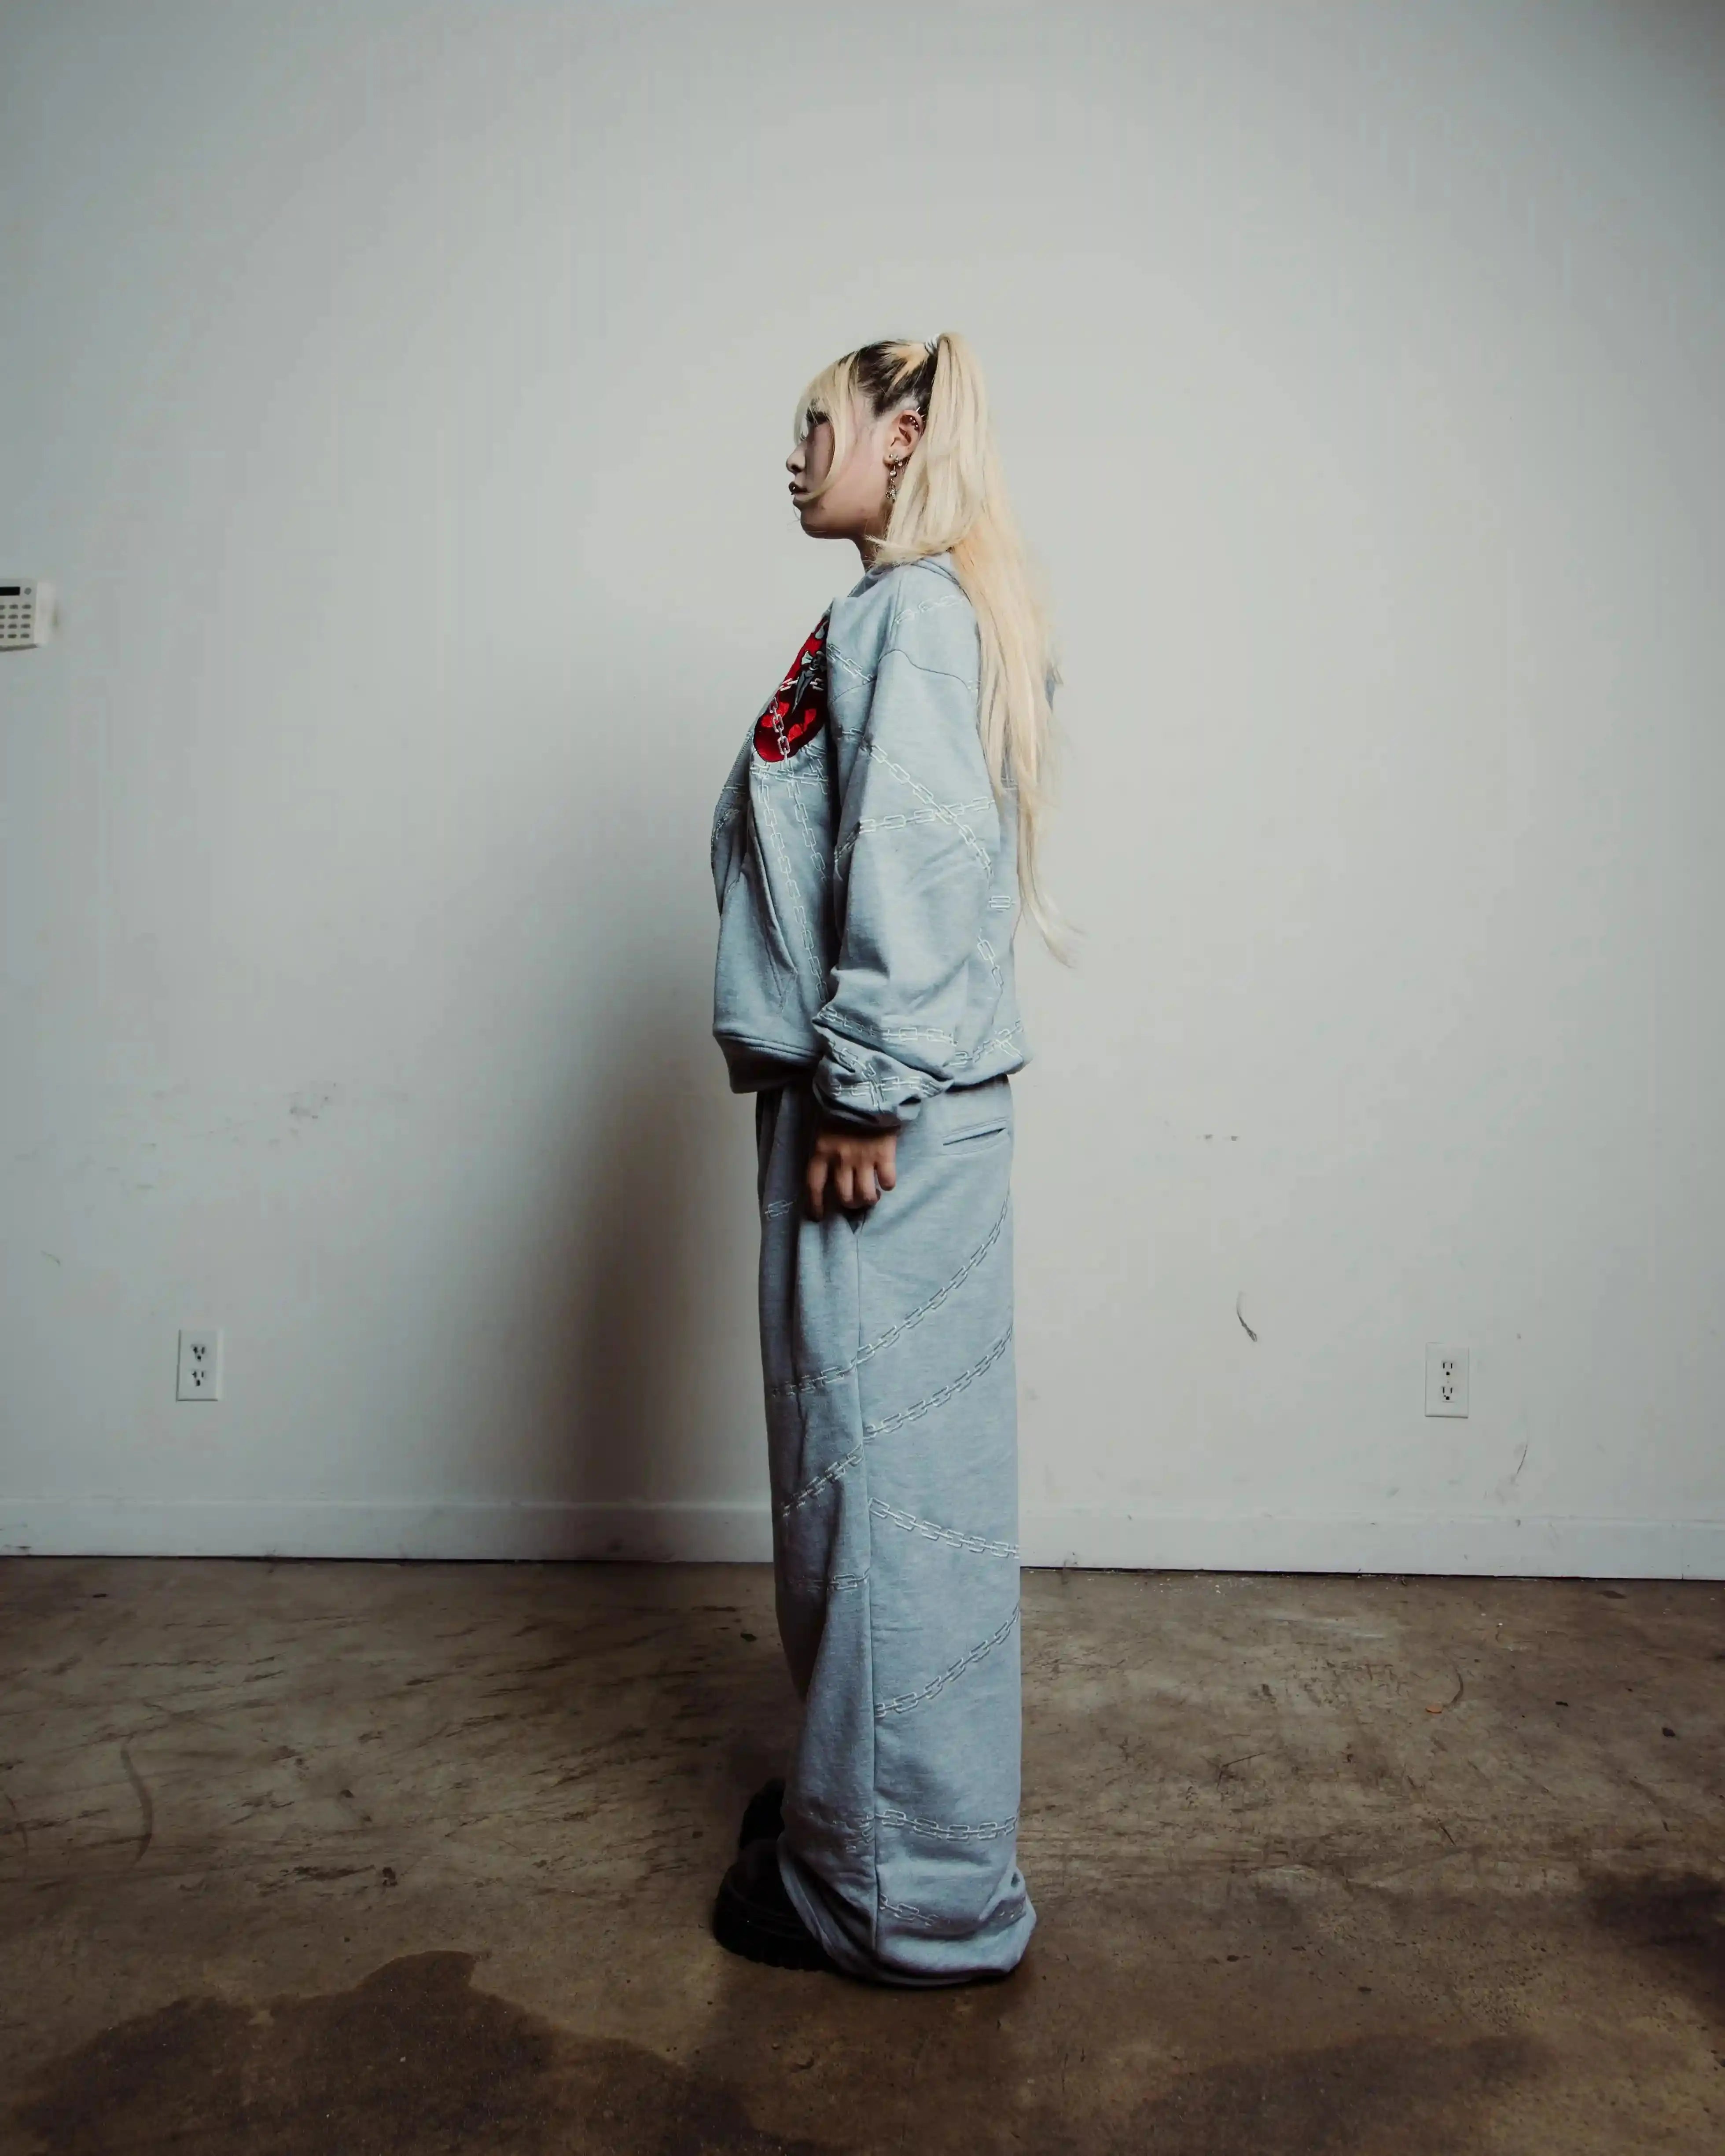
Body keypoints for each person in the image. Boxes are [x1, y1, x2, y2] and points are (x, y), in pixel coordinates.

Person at [708, 332, 1066, 1986]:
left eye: (821, 426)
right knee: (883, 1486)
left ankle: (896, 1901)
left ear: (904, 434)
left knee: (887, 1497)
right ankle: (866, 1818)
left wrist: (861, 1093)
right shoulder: (913, 611)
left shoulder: (916, 616)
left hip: (883, 1119)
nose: (795, 454)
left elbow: (913, 862)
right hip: (884, 1102)